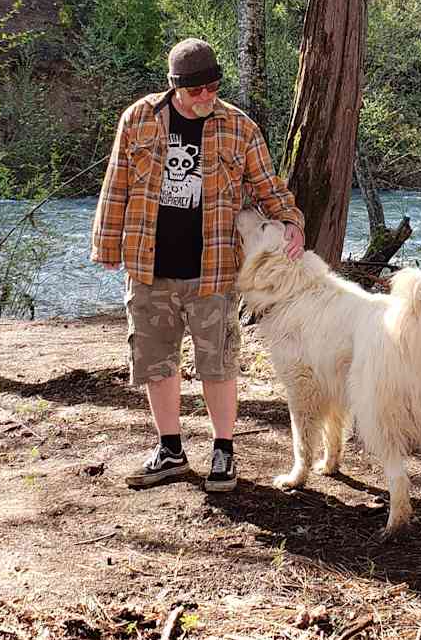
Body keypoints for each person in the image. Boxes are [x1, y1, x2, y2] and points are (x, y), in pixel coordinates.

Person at [91, 38, 304, 492]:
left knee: (219, 361)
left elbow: (270, 187)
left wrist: (290, 221)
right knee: (154, 360)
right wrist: (108, 247)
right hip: (150, 267)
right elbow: (116, 184)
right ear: (174, 88)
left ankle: (223, 450)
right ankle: (170, 448)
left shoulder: (239, 128)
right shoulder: (138, 119)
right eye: (196, 90)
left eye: (213, 86)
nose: (206, 96)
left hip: (214, 269)